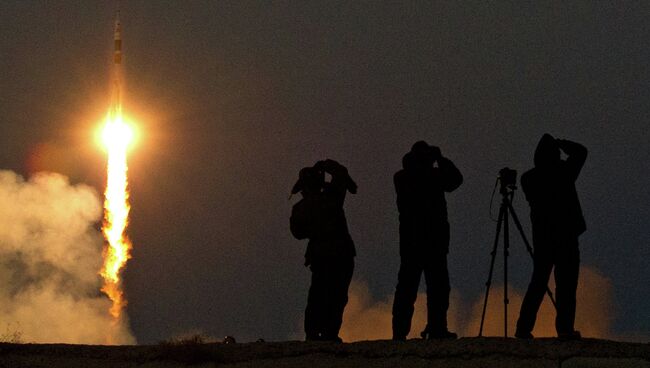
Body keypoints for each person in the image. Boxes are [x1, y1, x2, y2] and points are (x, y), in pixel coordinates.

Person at [515, 134, 588, 340]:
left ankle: (523, 328)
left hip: (543, 240)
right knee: (566, 287)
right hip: (566, 238)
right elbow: (581, 152)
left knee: (538, 283)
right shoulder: (564, 172)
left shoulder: (528, 179)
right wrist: (563, 143)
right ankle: (564, 330)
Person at [392, 141, 463, 340]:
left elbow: (455, 181)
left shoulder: (403, 177)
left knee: (414, 289)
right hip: (430, 243)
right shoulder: (424, 176)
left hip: (415, 243)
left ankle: (404, 332)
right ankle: (433, 329)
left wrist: (437, 160)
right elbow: (455, 180)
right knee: (431, 289)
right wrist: (440, 159)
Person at [290, 159, 357, 342]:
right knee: (337, 295)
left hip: (321, 256)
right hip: (341, 254)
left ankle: (313, 333)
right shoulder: (332, 197)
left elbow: (297, 233)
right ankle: (330, 333)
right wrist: (327, 164)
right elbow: (342, 172)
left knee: (318, 295)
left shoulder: (300, 208)